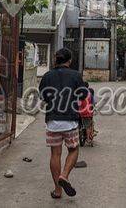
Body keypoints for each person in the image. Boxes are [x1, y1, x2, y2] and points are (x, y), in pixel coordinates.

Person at [38, 48, 88, 199]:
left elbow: (43, 95)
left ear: (56, 60)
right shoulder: (75, 76)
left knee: (55, 154)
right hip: (70, 121)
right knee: (73, 149)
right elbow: (83, 95)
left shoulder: (47, 76)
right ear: (69, 61)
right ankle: (64, 175)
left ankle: (57, 190)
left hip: (53, 120)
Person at [78, 82, 96, 146]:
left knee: (78, 123)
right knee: (88, 126)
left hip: (78, 112)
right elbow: (93, 103)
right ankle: (88, 138)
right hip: (87, 113)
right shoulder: (89, 94)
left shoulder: (78, 93)